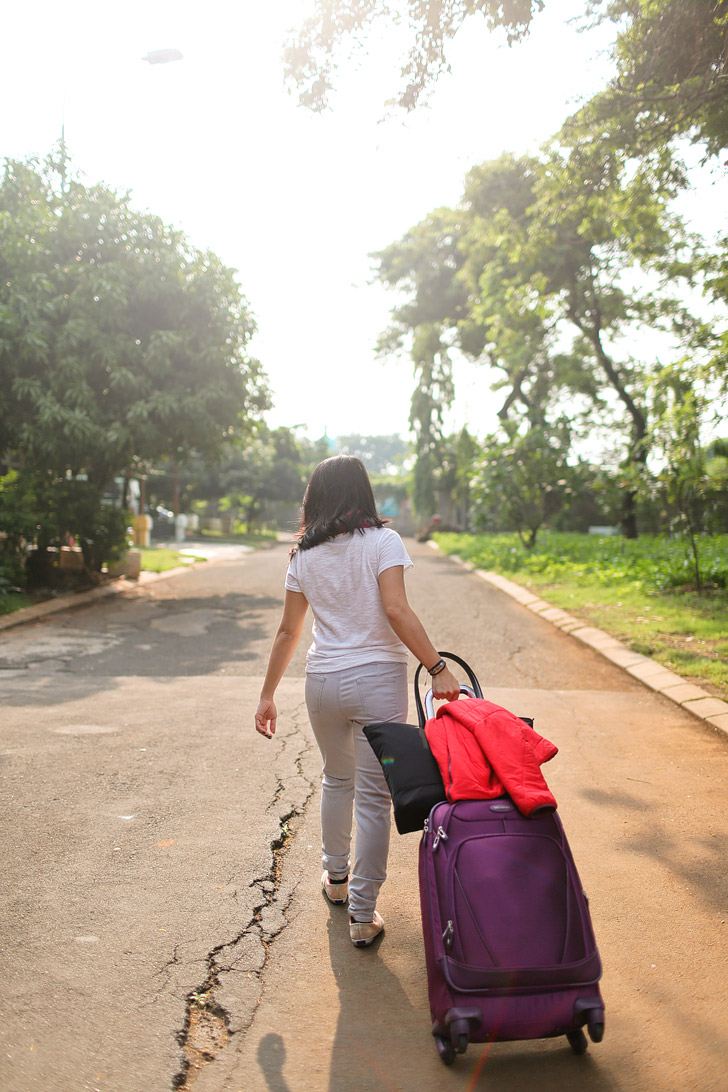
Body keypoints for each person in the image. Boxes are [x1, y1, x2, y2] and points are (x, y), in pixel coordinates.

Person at [255, 455, 460, 948]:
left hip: (322, 682)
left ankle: (337, 879)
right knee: (374, 797)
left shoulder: (302, 555)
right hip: (377, 684)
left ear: (316, 497)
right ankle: (363, 918)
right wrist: (438, 668)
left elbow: (288, 630)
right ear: (363, 492)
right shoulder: (383, 542)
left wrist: (267, 695)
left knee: (335, 779)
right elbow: (395, 609)